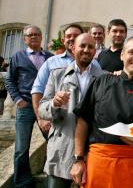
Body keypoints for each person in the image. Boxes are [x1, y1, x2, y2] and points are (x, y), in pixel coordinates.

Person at [70, 36, 133, 188]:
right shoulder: (101, 82)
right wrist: (78, 159)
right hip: (98, 162)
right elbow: (83, 121)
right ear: (122, 55)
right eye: (132, 52)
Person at [38, 33, 104, 188]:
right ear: (73, 48)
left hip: (91, 149)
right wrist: (54, 103)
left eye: (90, 47)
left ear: (95, 51)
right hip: (61, 146)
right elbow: (42, 109)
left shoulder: (104, 78)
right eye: (82, 46)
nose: (86, 50)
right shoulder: (57, 75)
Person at [5, 25, 53, 187]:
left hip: (46, 106)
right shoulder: (17, 57)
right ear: (24, 39)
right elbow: (9, 80)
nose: (34, 37)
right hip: (25, 106)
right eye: (30, 35)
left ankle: (52, 178)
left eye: (37, 34)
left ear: (41, 37)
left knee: (53, 142)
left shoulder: (50, 57)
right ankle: (22, 182)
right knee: (21, 148)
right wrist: (18, 99)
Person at [31, 24, 85, 137]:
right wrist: (41, 118)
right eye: (68, 36)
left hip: (84, 123)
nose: (72, 38)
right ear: (63, 40)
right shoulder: (51, 62)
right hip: (58, 123)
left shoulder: (94, 64)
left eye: (76, 35)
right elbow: (37, 90)